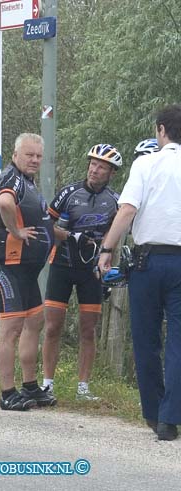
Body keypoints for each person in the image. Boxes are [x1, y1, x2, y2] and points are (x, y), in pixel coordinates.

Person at [98, 104, 181, 441]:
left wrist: (107, 249)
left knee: (146, 340)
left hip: (148, 262)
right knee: (179, 341)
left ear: (161, 130)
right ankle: (169, 418)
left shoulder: (146, 163)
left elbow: (128, 209)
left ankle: (152, 411)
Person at [42, 144, 122, 402]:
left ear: (111, 173)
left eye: (102, 167)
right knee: (53, 326)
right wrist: (69, 235)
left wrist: (105, 256)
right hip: (62, 264)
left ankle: (83, 387)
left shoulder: (115, 200)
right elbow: (46, 224)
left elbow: (116, 230)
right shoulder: (68, 192)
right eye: (93, 164)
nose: (95, 170)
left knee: (88, 329)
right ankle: (47, 384)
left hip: (91, 270)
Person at [0, 133, 55, 411]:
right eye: (29, 155)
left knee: (35, 321)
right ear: (15, 155)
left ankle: (29, 386)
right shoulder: (11, 178)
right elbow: (4, 203)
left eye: (38, 155)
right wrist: (16, 231)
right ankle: (7, 393)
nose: (35, 160)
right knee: (11, 328)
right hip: (7, 265)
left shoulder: (28, 182)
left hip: (26, 269)